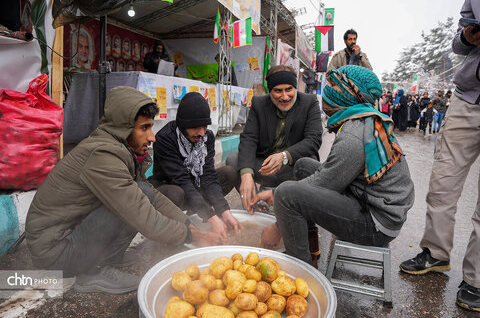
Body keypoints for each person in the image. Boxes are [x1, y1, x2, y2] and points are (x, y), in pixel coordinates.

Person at [25, 86, 221, 294]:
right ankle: (90, 273)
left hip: (70, 236)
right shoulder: (102, 155)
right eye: (144, 128)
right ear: (123, 128)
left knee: (143, 191)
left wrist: (188, 225)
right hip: (55, 252)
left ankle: (110, 256)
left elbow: (153, 195)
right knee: (136, 200)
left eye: (151, 127)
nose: (152, 137)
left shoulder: (119, 149)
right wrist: (191, 237)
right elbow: (141, 214)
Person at [250, 65, 414, 268]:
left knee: (286, 195)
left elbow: (325, 183)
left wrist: (277, 220)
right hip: (368, 200)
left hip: (375, 224)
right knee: (302, 166)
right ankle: (309, 244)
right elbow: (331, 172)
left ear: (347, 92)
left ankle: (301, 269)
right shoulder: (361, 119)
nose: (326, 91)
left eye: (332, 85)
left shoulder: (355, 133)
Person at [400, 0, 480, 312]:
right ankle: (436, 253)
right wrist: (467, 38)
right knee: (442, 183)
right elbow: (459, 43)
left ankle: (475, 279)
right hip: (468, 98)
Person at [226, 65, 322, 264]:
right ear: (270, 91)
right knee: (234, 161)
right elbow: (249, 138)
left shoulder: (310, 102)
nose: (284, 96)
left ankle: (303, 228)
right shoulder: (259, 104)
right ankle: (256, 204)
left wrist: (284, 156)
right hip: (265, 165)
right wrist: (246, 175)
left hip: (292, 166)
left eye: (289, 90)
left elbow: (313, 140)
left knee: (308, 164)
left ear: (296, 88)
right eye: (278, 91)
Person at [149, 92, 242, 243]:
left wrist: (224, 212)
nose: (201, 132)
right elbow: (181, 180)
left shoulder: (207, 137)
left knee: (228, 173)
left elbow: (208, 175)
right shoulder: (165, 138)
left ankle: (197, 213)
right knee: (175, 193)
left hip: (194, 186)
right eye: (196, 127)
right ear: (183, 124)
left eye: (205, 126)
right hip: (170, 188)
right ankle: (172, 229)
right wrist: (211, 217)